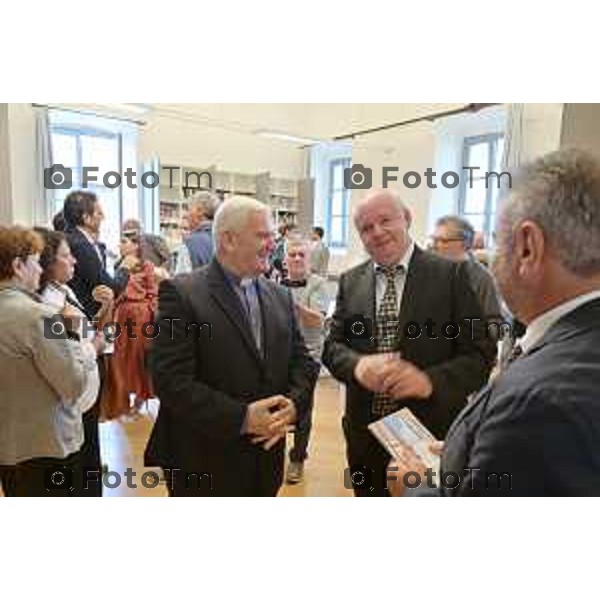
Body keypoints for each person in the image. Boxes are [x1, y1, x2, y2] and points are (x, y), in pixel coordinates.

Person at [388, 148, 600, 496]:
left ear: (528, 247)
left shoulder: (538, 402)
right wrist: (468, 452)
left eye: (500, 244)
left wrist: (414, 486)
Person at [322, 189, 496, 496]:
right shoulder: (351, 281)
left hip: (429, 438)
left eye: (385, 220)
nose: (377, 232)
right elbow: (332, 348)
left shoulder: (451, 276)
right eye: (366, 227)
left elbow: (480, 357)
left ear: (407, 218)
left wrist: (429, 381)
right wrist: (358, 365)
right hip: (366, 436)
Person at [145, 196, 319, 496]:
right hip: (203, 462)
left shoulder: (279, 296)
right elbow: (170, 380)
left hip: (265, 461)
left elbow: (302, 361)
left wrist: (293, 406)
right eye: (263, 235)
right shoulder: (181, 294)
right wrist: (243, 418)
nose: (272, 244)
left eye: (272, 236)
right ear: (228, 240)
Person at [0, 226, 91, 496]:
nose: (41, 271)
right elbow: (73, 384)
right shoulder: (42, 317)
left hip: (8, 448)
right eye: (36, 263)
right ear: (18, 265)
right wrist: (74, 334)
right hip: (48, 447)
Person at [62, 190, 125, 496]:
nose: (103, 217)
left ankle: (89, 470)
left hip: (91, 335)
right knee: (88, 407)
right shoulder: (80, 245)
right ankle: (87, 477)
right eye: (98, 212)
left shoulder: (85, 245)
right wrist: (126, 267)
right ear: (85, 216)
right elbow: (109, 286)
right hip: (85, 342)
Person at [280, 236, 329, 484]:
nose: (297, 258)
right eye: (293, 254)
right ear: (285, 259)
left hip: (308, 358)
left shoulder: (318, 284)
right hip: (278, 357)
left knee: (302, 410)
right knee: (276, 405)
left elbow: (317, 320)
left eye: (302, 254)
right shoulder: (275, 282)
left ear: (310, 259)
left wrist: (291, 304)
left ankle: (297, 458)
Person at [107, 231, 158, 419]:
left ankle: (139, 399)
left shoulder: (147, 266)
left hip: (141, 317)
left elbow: (153, 292)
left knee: (138, 359)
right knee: (120, 358)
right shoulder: (119, 266)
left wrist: (153, 318)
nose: (120, 245)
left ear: (136, 245)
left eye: (124, 241)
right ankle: (123, 402)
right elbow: (115, 290)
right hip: (122, 316)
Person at [431, 215, 504, 343]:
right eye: (433, 239)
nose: (434, 246)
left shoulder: (482, 278)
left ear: (463, 243)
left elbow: (497, 326)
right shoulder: (428, 271)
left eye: (442, 240)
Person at [173, 191, 220, 274]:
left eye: (189, 209)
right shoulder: (226, 240)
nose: (186, 215)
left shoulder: (190, 244)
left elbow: (181, 283)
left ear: (199, 211)